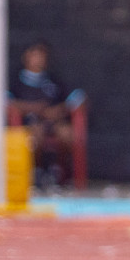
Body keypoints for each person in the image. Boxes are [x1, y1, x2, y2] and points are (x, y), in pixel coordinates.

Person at [9, 42, 81, 186]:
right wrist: (36, 109)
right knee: (36, 134)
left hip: (53, 123)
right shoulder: (16, 81)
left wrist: (57, 111)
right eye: (35, 55)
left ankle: (60, 171)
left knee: (68, 133)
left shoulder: (53, 80)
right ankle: (37, 171)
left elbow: (77, 98)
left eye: (42, 55)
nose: (39, 59)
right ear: (26, 57)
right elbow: (7, 102)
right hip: (28, 123)